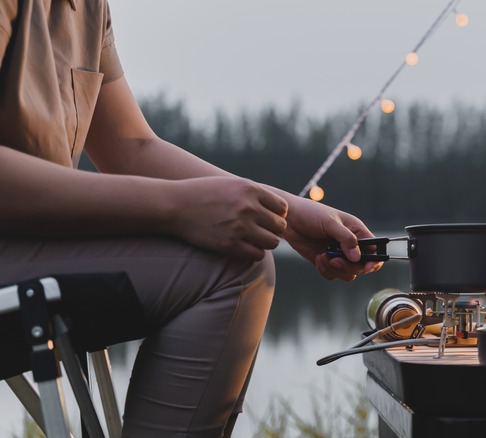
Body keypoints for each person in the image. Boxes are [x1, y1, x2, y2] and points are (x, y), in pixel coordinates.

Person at [0, 1, 381, 436]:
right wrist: (179, 206)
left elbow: (132, 147)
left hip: (32, 248)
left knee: (238, 257)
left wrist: (290, 216)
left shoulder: (89, 8)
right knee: (228, 270)